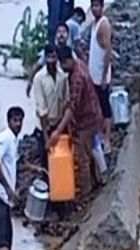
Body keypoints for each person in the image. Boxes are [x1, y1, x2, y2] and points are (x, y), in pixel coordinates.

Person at [51, 46, 104, 203]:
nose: (61, 67)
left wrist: (58, 131)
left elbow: (72, 108)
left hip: (86, 120)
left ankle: (85, 195)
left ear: (67, 60)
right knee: (89, 151)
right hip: (93, 114)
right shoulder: (80, 64)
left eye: (62, 64)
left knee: (81, 157)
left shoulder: (76, 78)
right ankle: (98, 181)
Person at [0, 107, 24, 250]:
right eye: (15, 120)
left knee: (4, 234)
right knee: (2, 236)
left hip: (3, 196)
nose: (18, 124)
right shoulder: (5, 138)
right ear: (8, 121)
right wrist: (8, 189)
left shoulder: (14, 140)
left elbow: (9, 164)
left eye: (20, 120)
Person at [87, 0, 113, 151]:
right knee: (96, 107)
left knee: (105, 108)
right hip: (94, 74)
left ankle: (107, 140)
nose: (95, 9)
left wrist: (104, 77)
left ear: (102, 7)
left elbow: (108, 51)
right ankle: (99, 136)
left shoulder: (103, 25)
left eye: (97, 6)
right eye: (93, 6)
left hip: (100, 76)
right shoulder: (94, 24)